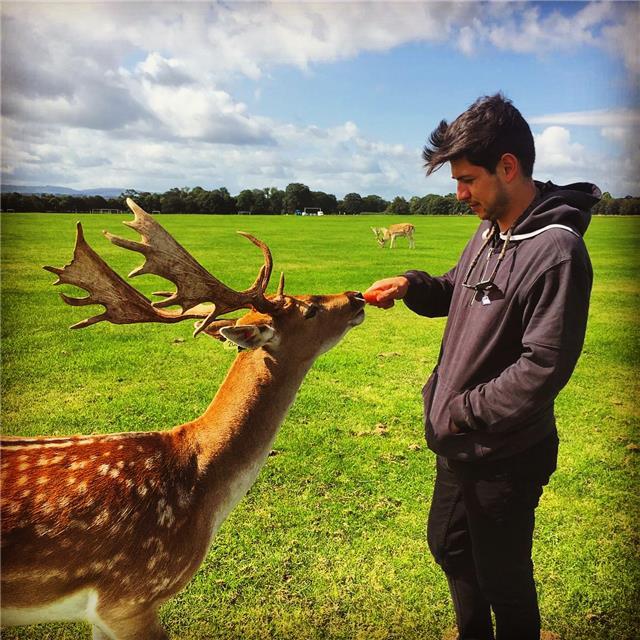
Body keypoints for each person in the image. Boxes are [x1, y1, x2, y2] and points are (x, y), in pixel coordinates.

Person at [365, 94, 599, 640]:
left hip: (507, 454)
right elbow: (457, 287)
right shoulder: (492, 230)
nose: (460, 193)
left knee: (504, 579)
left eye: (468, 179)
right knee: (448, 544)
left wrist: (459, 410)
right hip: (460, 442)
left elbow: (542, 368)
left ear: (509, 167)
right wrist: (411, 286)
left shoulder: (557, 253)